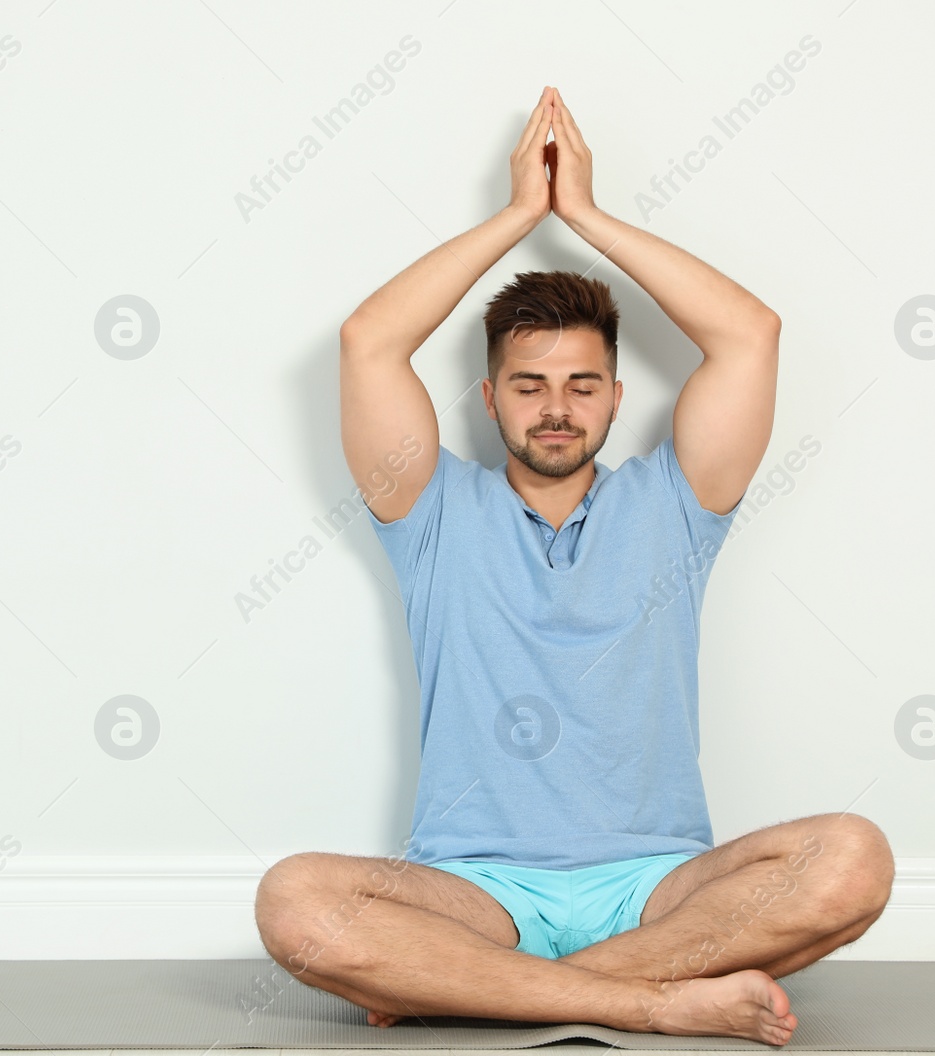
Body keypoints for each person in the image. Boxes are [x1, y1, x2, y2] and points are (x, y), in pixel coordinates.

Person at [252, 87, 893, 1045]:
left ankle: (474, 992)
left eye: (581, 384)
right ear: (491, 397)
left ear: (614, 395)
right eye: (531, 384)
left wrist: (584, 216)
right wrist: (518, 217)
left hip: (657, 885)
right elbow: (370, 342)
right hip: (472, 887)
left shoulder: (677, 503)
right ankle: (647, 1002)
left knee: (855, 858)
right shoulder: (429, 510)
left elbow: (750, 334)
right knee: (294, 899)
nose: (557, 406)